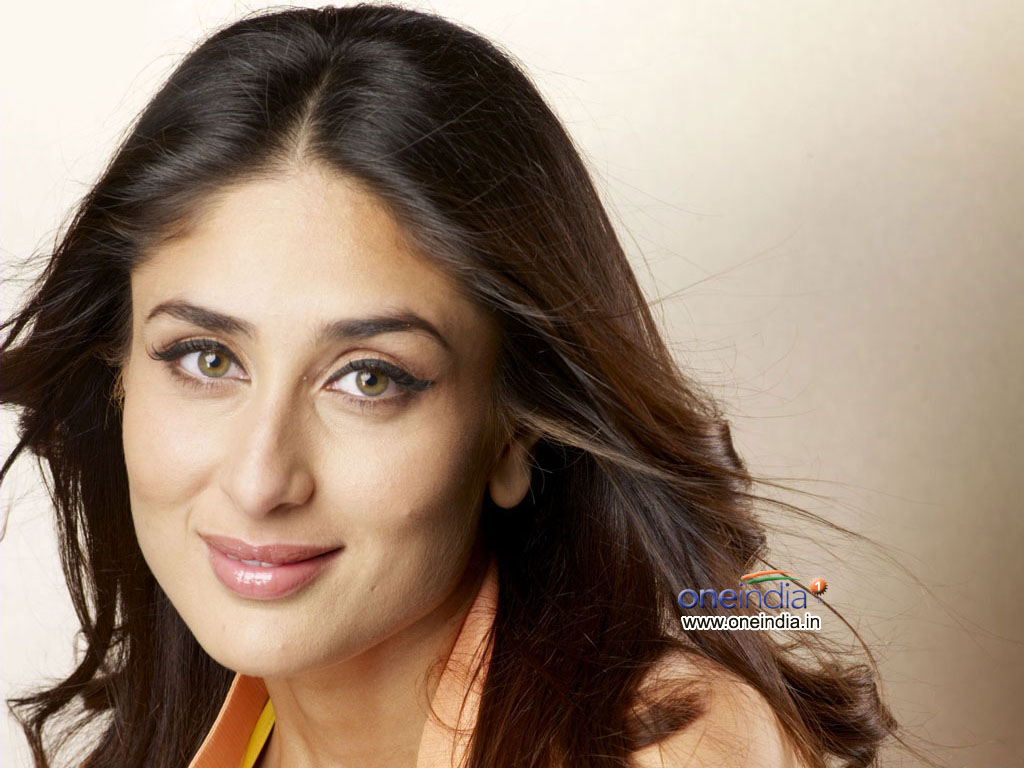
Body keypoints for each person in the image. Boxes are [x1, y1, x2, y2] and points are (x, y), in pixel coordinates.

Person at [0, 4, 903, 767]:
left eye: (369, 378)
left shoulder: (667, 746)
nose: (260, 479)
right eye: (206, 358)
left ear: (514, 430)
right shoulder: (174, 736)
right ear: (116, 375)